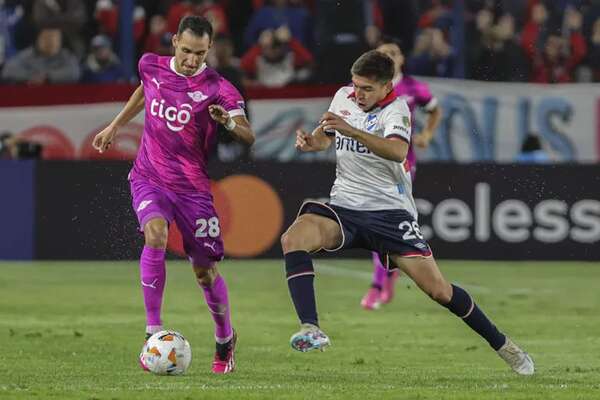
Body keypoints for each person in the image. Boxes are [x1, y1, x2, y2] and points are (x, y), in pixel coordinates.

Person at [280, 49, 534, 375]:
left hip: (390, 215)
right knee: (294, 238)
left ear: (387, 87)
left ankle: (504, 346)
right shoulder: (343, 96)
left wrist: (353, 130)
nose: (358, 93)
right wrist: (310, 143)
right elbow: (325, 138)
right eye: (356, 85)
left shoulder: (397, 110)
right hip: (345, 207)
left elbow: (397, 150)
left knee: (440, 291)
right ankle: (311, 328)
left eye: (367, 88)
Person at [92, 16, 255, 374]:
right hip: (149, 176)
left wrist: (226, 121)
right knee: (156, 234)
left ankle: (225, 339)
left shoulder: (219, 87)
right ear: (175, 41)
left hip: (193, 190)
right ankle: (152, 331)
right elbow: (143, 90)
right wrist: (116, 124)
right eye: (186, 51)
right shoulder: (150, 64)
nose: (192, 60)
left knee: (204, 272)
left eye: (199, 53)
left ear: (209, 49)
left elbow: (247, 135)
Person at [360, 38, 442, 311]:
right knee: (377, 222)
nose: (389, 56)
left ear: (402, 58)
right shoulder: (367, 89)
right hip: (372, 164)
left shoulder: (413, 88)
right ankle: (385, 279)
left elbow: (434, 110)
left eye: (393, 52)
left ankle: (378, 284)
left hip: (403, 164)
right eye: (383, 53)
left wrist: (427, 134)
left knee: (382, 220)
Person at [1, 27, 80, 84]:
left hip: (59, 96)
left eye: (55, 39)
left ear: (60, 42)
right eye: (47, 38)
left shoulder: (67, 56)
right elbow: (7, 71)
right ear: (38, 39)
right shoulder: (27, 55)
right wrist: (31, 77)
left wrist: (47, 78)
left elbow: (74, 72)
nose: (50, 42)